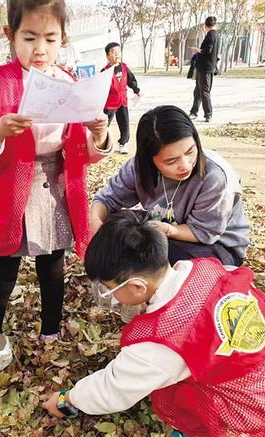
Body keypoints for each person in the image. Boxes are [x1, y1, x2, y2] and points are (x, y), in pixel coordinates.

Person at [43, 210, 265, 437]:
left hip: (253, 401)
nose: (107, 295)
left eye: (108, 289)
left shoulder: (161, 344)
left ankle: (206, 429)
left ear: (137, 287)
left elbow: (113, 389)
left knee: (171, 393)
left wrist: (68, 400)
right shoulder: (201, 267)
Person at [0, 0, 112, 339]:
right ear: (10, 35)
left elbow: (83, 152)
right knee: (3, 269)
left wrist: (99, 135)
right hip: (11, 189)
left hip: (55, 187)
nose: (40, 49)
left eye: (50, 39)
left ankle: (50, 332)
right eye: (29, 38)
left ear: (63, 39)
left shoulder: (69, 82)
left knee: (52, 267)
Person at [91, 105, 250, 267]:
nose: (185, 165)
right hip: (164, 228)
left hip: (216, 245)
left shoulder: (214, 176)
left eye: (190, 152)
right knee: (115, 226)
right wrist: (96, 223)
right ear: (149, 159)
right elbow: (106, 200)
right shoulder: (138, 167)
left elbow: (205, 232)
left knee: (152, 257)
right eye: (171, 161)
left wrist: (167, 230)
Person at [102, 42, 141, 155]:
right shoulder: (105, 71)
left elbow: (131, 80)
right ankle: (102, 143)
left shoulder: (124, 67)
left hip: (122, 101)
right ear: (108, 56)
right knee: (104, 124)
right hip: (110, 103)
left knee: (125, 124)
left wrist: (136, 90)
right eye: (113, 52)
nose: (117, 54)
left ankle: (123, 144)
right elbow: (100, 88)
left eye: (118, 52)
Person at [189, 16, 219, 122]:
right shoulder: (216, 34)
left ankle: (208, 114)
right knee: (198, 90)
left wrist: (197, 50)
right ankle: (194, 112)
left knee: (204, 91)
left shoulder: (211, 35)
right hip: (206, 67)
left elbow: (207, 50)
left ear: (206, 25)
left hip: (205, 67)